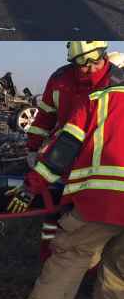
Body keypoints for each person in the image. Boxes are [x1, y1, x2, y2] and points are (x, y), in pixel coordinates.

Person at [8, 60, 124, 299]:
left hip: (100, 201)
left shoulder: (94, 101)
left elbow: (64, 150)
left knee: (71, 256)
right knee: (119, 263)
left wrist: (30, 186)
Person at [23, 42, 119, 262]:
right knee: (54, 215)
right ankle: (49, 258)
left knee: (90, 224)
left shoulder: (114, 82)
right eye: (83, 64)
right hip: (63, 157)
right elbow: (44, 117)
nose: (91, 69)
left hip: (96, 163)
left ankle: (82, 264)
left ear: (104, 56)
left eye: (96, 62)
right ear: (73, 62)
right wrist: (32, 147)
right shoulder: (59, 81)